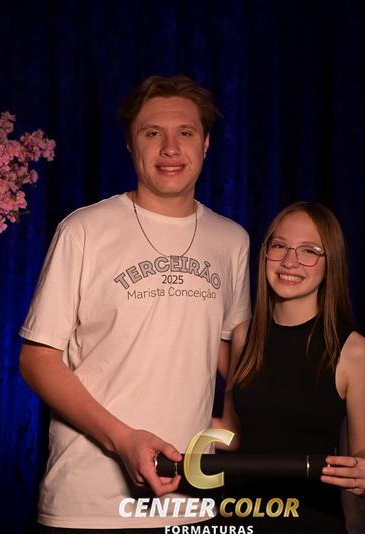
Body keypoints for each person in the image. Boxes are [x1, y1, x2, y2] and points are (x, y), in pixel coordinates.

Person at [19, 75, 251, 532]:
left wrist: (236, 423)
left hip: (191, 499)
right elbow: (37, 360)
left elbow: (232, 352)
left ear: (205, 143)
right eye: (152, 133)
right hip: (89, 504)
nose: (170, 148)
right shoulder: (84, 230)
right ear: (130, 144)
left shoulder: (231, 240)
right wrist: (123, 440)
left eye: (185, 132)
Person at [214, 202, 365, 533]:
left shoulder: (354, 350)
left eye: (309, 251)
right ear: (266, 253)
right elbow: (231, 434)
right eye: (280, 246)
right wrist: (168, 422)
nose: (290, 261)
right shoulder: (245, 335)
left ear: (330, 263)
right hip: (240, 516)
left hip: (312, 520)